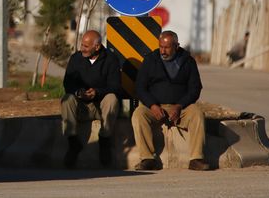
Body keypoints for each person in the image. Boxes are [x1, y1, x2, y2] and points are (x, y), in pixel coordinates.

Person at [132, 30, 210, 171]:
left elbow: (195, 88)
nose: (163, 51)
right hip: (155, 107)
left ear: (176, 46)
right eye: (161, 46)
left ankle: (196, 159)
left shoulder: (188, 61)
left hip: (180, 109)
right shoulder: (150, 60)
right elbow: (140, 88)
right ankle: (147, 158)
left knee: (197, 114)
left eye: (167, 47)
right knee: (138, 115)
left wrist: (180, 105)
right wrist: (153, 105)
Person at [60, 30, 121, 168]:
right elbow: (67, 83)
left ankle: (105, 141)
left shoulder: (111, 60)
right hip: (82, 106)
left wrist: (97, 92)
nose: (82, 49)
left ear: (97, 46)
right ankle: (73, 143)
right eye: (82, 45)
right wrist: (78, 92)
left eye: (86, 46)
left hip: (101, 106)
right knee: (67, 99)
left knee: (112, 98)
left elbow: (116, 87)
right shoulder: (76, 58)